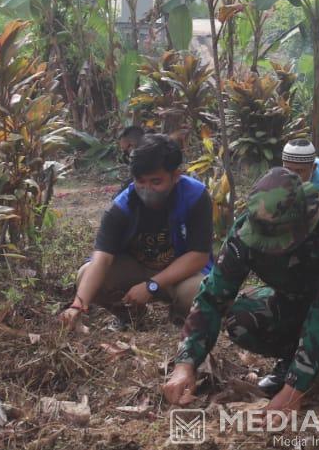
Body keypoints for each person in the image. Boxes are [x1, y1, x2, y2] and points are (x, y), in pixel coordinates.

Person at [162, 168, 319, 411]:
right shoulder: (245, 233)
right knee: (241, 318)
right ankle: (289, 362)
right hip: (298, 303)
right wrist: (185, 365)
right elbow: (212, 297)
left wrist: (293, 392)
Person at [61, 134, 212, 330]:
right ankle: (130, 315)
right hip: (137, 269)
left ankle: (180, 319)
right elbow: (102, 259)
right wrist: (77, 305)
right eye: (141, 181)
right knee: (86, 274)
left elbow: (198, 256)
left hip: (181, 274)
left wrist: (152, 285)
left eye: (156, 182)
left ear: (175, 175)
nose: (147, 189)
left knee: (201, 292)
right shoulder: (122, 206)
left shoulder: (195, 196)